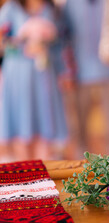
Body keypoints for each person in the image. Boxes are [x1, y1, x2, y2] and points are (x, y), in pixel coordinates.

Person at [0, 0, 67, 161]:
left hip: (44, 74)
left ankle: (43, 176)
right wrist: (23, 43)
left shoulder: (51, 9)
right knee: (22, 123)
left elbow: (61, 42)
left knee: (44, 122)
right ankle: (24, 174)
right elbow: (2, 41)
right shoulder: (11, 8)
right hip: (18, 75)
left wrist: (62, 70)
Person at [62, 0, 109, 155]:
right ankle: (81, 172)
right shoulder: (71, 4)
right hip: (79, 75)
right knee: (79, 131)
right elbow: (64, 36)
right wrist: (67, 72)